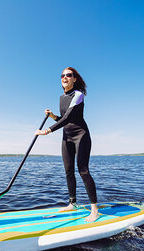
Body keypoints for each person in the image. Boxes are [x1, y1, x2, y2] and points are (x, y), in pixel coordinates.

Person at [35, 67, 99, 222]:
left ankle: (94, 210)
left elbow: (69, 117)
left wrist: (47, 131)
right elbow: (62, 119)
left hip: (80, 136)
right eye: (62, 75)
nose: (65, 77)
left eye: (68, 75)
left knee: (83, 171)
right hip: (67, 137)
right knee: (68, 171)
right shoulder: (61, 98)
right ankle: (72, 203)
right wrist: (52, 116)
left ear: (74, 79)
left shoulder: (78, 95)